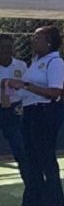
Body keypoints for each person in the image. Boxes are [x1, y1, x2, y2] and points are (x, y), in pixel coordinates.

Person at [7, 26, 64, 206]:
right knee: (31, 158)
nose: (33, 40)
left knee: (45, 158)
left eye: (37, 37)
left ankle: (54, 200)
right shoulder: (35, 61)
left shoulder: (55, 62)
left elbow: (55, 92)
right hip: (30, 112)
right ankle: (33, 199)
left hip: (45, 113)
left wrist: (25, 85)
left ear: (49, 41)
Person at [0, 35, 30, 193]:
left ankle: (31, 191)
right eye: (2, 47)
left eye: (9, 47)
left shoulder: (21, 65)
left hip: (14, 110)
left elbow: (27, 86)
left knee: (21, 149)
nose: (6, 51)